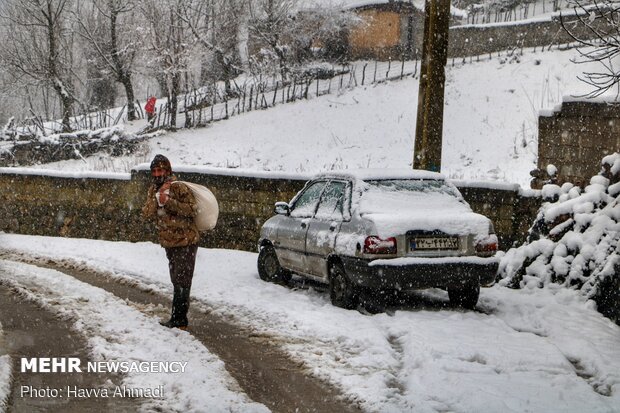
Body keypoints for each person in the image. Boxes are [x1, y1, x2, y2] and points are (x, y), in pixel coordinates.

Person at [142, 154, 200, 329]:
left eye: (160, 170)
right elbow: (146, 213)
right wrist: (157, 199)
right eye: (154, 171)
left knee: (182, 280)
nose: (157, 174)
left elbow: (192, 210)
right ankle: (178, 318)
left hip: (186, 241)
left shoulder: (178, 187)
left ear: (168, 170)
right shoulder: (154, 190)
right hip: (169, 242)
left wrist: (169, 202)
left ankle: (179, 319)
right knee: (177, 279)